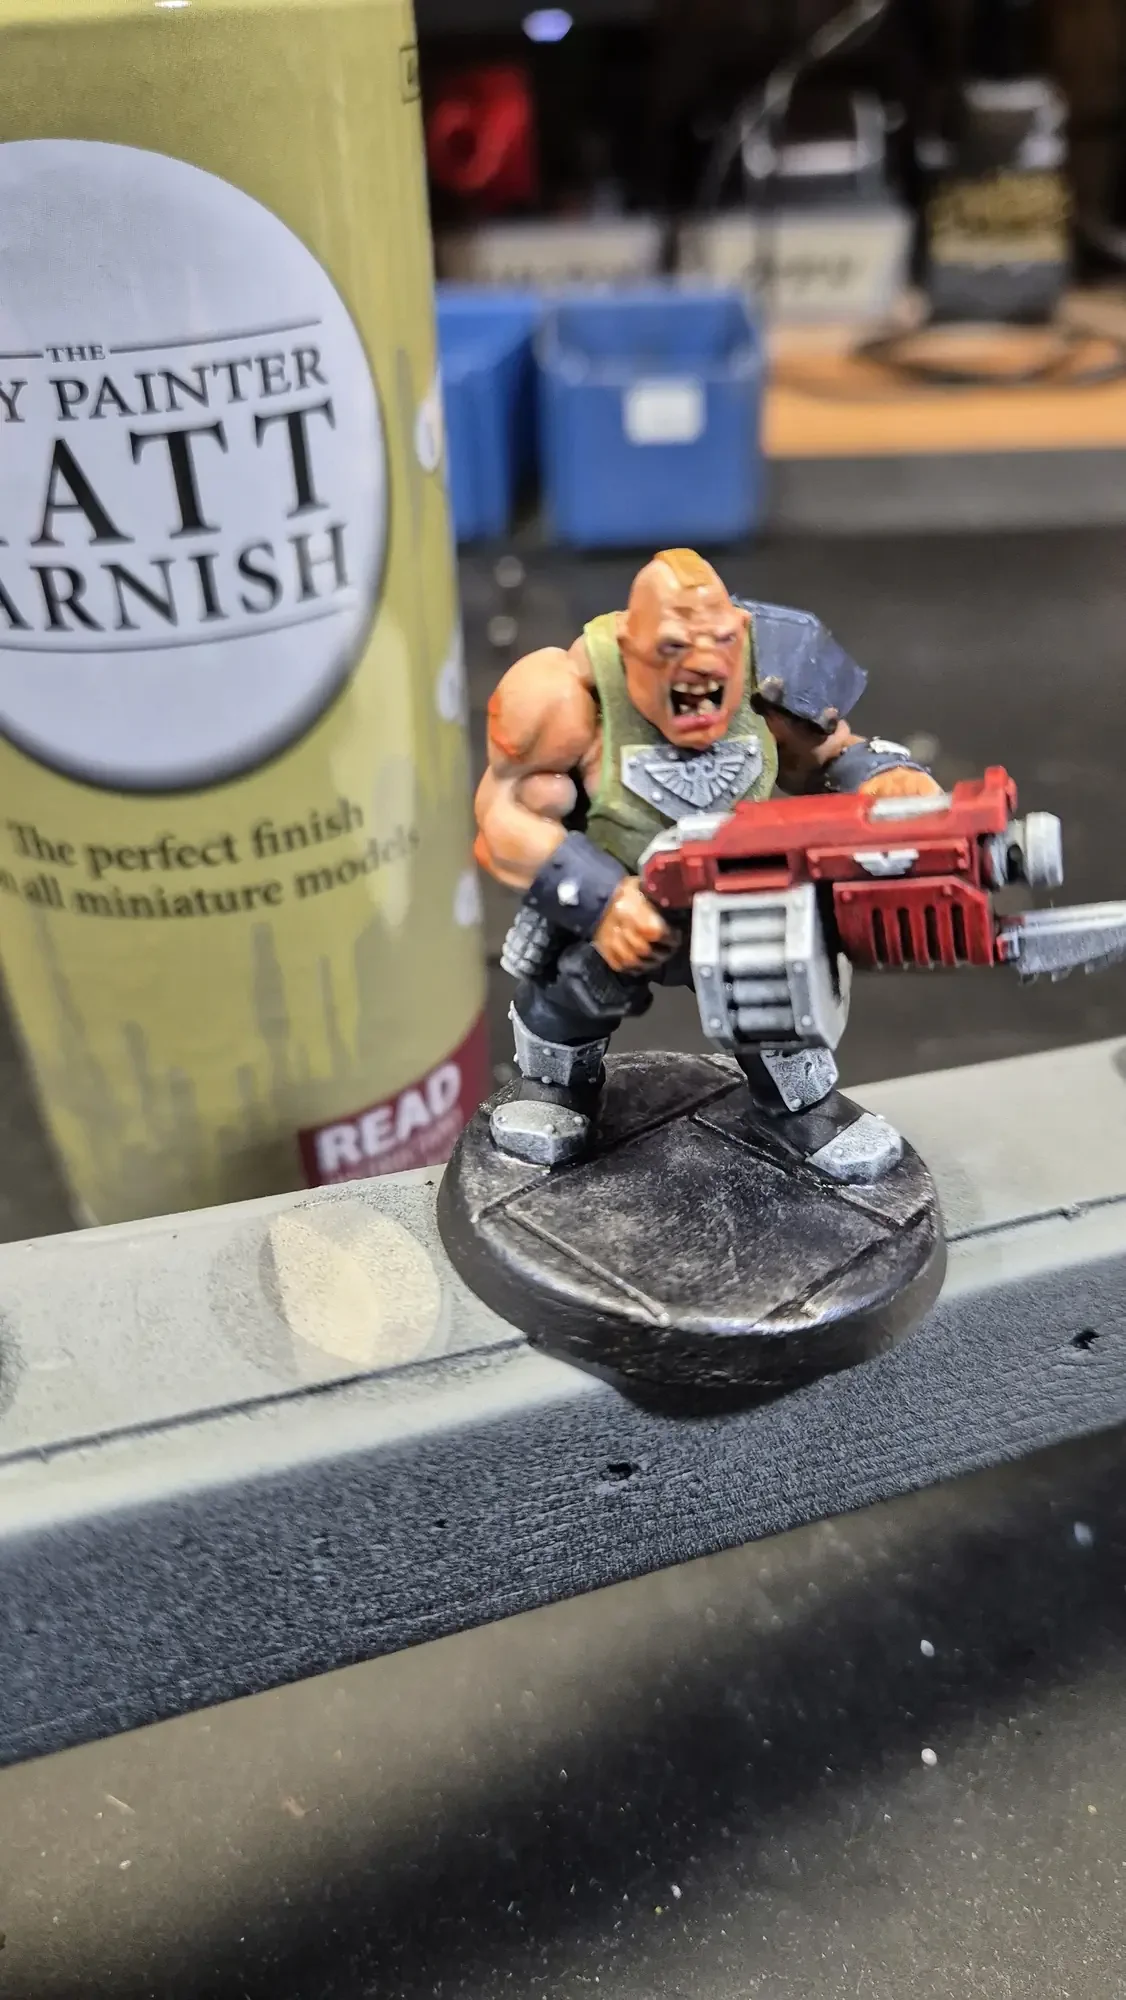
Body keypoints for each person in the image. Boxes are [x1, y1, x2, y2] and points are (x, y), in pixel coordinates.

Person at [474, 547, 941, 1167]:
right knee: (573, 991)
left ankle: (801, 1109)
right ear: (629, 644)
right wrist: (602, 900)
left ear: (739, 632)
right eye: (672, 647)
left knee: (777, 1000)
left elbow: (829, 754)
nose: (701, 665)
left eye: (718, 641)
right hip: (619, 897)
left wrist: (885, 781)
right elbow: (503, 816)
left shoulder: (768, 672)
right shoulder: (565, 694)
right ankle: (554, 1089)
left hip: (737, 896)